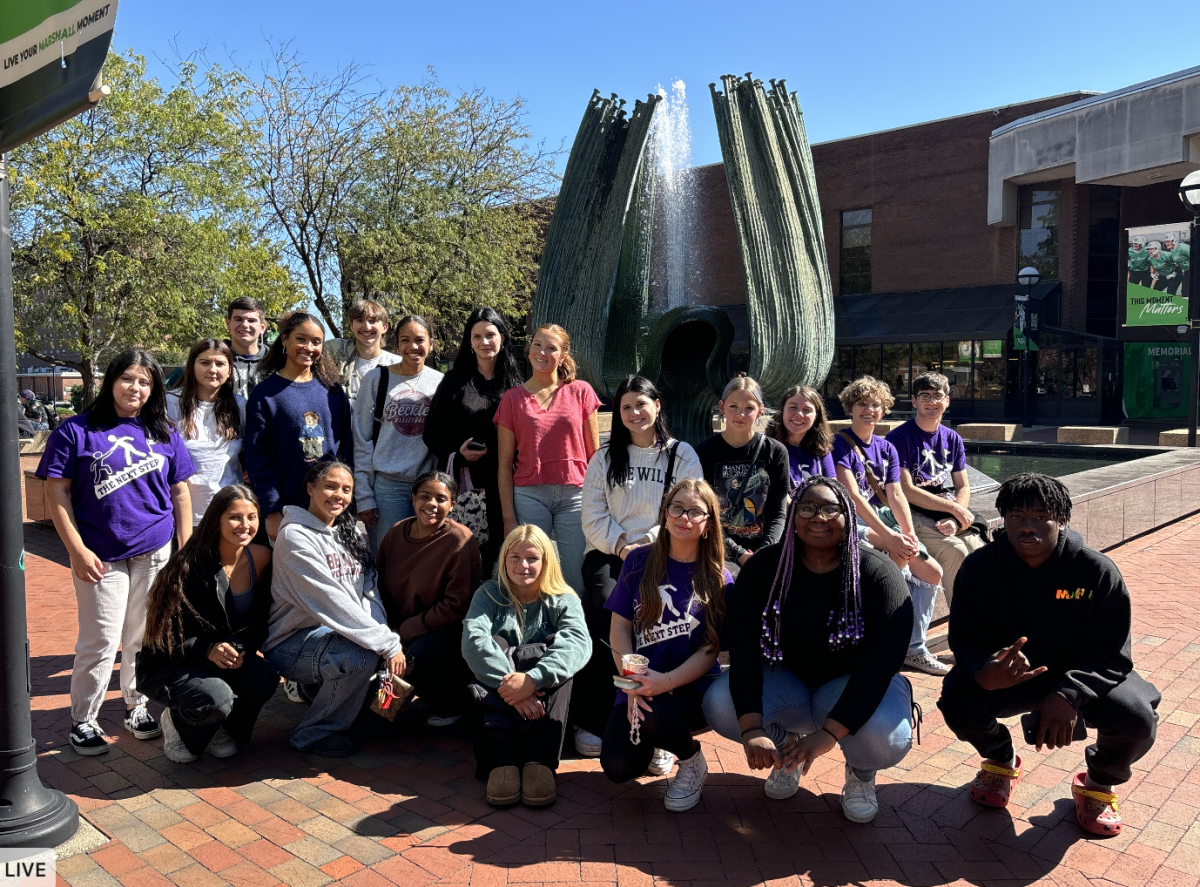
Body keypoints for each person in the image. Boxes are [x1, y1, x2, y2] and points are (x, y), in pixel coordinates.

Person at [937, 474, 1160, 837]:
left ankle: (1099, 784)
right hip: (1009, 677)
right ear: (1003, 519)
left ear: (1062, 519)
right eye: (1017, 517)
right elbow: (965, 638)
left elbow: (1114, 654)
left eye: (1041, 517)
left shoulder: (1095, 570)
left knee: (1136, 715)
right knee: (957, 699)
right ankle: (1000, 761)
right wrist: (982, 672)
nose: (1028, 527)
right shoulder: (980, 568)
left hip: (1080, 677)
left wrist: (1068, 694)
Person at [701, 477, 914, 823]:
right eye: (807, 508)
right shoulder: (763, 568)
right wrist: (753, 729)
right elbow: (742, 649)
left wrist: (829, 735)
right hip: (788, 683)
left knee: (885, 736)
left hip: (850, 684)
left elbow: (882, 663)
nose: (819, 517)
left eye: (831, 508)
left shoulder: (878, 574)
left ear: (848, 516)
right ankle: (789, 751)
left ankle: (861, 772)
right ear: (793, 516)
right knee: (721, 704)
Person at [37, 350, 195, 755]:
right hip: (99, 554)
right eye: (128, 379)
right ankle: (84, 719)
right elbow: (55, 492)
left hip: (154, 549)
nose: (136, 389)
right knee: (101, 640)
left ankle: (136, 705)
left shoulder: (163, 432)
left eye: (145, 382)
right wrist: (75, 549)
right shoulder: (75, 431)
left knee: (142, 636)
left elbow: (180, 492)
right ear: (110, 381)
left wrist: (183, 548)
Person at [573, 375, 702, 758]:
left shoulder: (681, 455)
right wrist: (624, 546)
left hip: (666, 551)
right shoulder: (605, 457)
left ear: (657, 405)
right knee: (604, 615)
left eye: (640, 404)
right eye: (625, 407)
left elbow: (688, 507)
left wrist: (647, 545)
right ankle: (598, 717)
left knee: (660, 620)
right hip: (610, 553)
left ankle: (659, 720)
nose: (633, 413)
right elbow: (592, 515)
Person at [600, 479, 731, 812]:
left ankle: (690, 760)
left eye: (695, 511)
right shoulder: (639, 560)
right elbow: (620, 626)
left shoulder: (719, 577)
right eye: (677, 508)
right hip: (639, 682)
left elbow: (710, 650)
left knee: (656, 716)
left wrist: (665, 682)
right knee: (618, 767)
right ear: (665, 513)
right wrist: (632, 681)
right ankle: (662, 736)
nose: (684, 517)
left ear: (708, 523)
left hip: (692, 685)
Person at [263, 461, 404, 757]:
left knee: (371, 654)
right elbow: (330, 600)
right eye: (330, 486)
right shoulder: (294, 537)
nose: (338, 495)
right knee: (357, 657)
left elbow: (368, 587)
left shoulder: (350, 529)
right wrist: (385, 645)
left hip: (335, 631)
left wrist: (382, 634)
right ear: (311, 488)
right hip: (292, 641)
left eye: (346, 489)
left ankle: (314, 692)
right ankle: (314, 734)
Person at [136, 485, 278, 762]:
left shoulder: (261, 558)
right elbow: (161, 637)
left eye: (252, 517)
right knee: (216, 698)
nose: (245, 525)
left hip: (226, 657)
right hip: (176, 661)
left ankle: (221, 727)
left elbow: (261, 619)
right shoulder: (186, 566)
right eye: (235, 517)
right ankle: (177, 723)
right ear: (216, 520)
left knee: (265, 677)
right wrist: (207, 649)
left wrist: (242, 648)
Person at [462, 525, 591, 808]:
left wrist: (533, 681)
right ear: (504, 559)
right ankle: (501, 760)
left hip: (543, 700)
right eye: (515, 557)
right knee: (492, 647)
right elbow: (473, 641)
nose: (523, 566)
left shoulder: (564, 598)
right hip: (501, 696)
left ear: (546, 562)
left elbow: (578, 644)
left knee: (552, 656)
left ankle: (539, 760)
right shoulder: (489, 594)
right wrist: (516, 689)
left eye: (532, 558)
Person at [832, 375, 947, 676]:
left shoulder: (887, 448)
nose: (869, 410)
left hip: (883, 520)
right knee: (896, 556)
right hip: (851, 522)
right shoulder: (838, 445)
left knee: (933, 571)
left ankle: (913, 648)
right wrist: (890, 537)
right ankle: (884, 643)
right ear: (850, 407)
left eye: (875, 405)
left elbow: (895, 495)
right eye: (862, 404)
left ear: (884, 410)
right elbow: (853, 496)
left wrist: (908, 536)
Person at [496, 324, 600, 595]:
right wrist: (508, 517)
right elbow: (504, 464)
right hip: (529, 496)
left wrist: (601, 502)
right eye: (537, 345)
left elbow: (596, 456)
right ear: (529, 349)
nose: (542, 352)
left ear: (563, 355)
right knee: (531, 575)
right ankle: (536, 633)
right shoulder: (512, 399)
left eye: (551, 348)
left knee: (574, 577)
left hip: (575, 496)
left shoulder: (581, 392)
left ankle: (574, 632)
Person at [424, 306, 526, 577]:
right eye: (477, 336)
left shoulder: (515, 383)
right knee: (464, 555)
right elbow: (432, 432)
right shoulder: (454, 382)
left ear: (502, 337)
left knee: (507, 555)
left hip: (508, 484)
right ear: (469, 341)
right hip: (467, 484)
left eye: (490, 335)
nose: (484, 342)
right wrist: (457, 455)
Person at [377, 471, 482, 727]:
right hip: (396, 627)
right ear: (413, 499)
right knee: (375, 705)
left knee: (419, 656)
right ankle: (384, 706)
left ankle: (449, 701)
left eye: (441, 498)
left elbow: (457, 605)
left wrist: (407, 631)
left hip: (441, 630)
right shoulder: (396, 532)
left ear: (452, 505)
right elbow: (377, 581)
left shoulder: (459, 540)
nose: (432, 504)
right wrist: (386, 630)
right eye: (424, 496)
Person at [244, 311, 353, 542]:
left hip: (331, 509)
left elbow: (346, 450)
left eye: (316, 342)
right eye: (301, 339)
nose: (309, 347)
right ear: (284, 340)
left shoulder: (333, 393)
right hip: (287, 511)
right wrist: (272, 509)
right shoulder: (264, 395)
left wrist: (346, 502)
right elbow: (258, 458)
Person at [885, 372, 985, 604]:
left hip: (943, 511)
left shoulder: (952, 438)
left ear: (947, 401)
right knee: (956, 552)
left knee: (979, 550)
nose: (932, 402)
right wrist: (955, 511)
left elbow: (962, 485)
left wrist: (956, 517)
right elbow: (906, 489)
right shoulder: (898, 438)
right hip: (912, 512)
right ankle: (959, 626)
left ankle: (983, 619)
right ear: (914, 402)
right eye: (925, 396)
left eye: (937, 396)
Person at [353, 314, 444, 541]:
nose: (412, 346)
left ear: (430, 344)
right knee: (387, 557)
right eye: (405, 340)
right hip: (386, 488)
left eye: (419, 340)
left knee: (424, 556)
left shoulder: (441, 383)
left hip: (427, 487)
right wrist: (364, 494)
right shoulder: (377, 379)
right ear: (397, 344)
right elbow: (361, 438)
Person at [695, 375, 789, 567]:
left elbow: (778, 512)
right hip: (720, 550)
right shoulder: (704, 452)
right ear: (722, 407)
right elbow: (704, 513)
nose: (741, 414)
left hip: (765, 549)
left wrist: (763, 554)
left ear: (760, 411)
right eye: (733, 406)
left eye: (749, 408)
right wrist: (738, 554)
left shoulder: (775, 451)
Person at [167, 339, 247, 527]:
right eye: (204, 362)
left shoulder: (240, 406)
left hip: (229, 513)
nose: (212, 369)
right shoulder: (169, 403)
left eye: (220, 364)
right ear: (192, 366)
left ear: (229, 371)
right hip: (183, 516)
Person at [325, 299, 402, 404]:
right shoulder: (336, 359)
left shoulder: (397, 364)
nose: (366, 327)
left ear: (385, 327)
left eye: (372, 321)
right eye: (360, 320)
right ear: (351, 326)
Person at [770, 385, 836, 488]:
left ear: (816, 416)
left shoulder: (822, 450)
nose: (799, 414)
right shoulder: (769, 449)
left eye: (807, 410)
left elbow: (833, 488)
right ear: (782, 411)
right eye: (793, 407)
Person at [224, 297, 270, 400]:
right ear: (228, 324)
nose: (245, 325)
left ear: (262, 327)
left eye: (251, 320)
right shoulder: (215, 360)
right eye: (238, 319)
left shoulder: (276, 361)